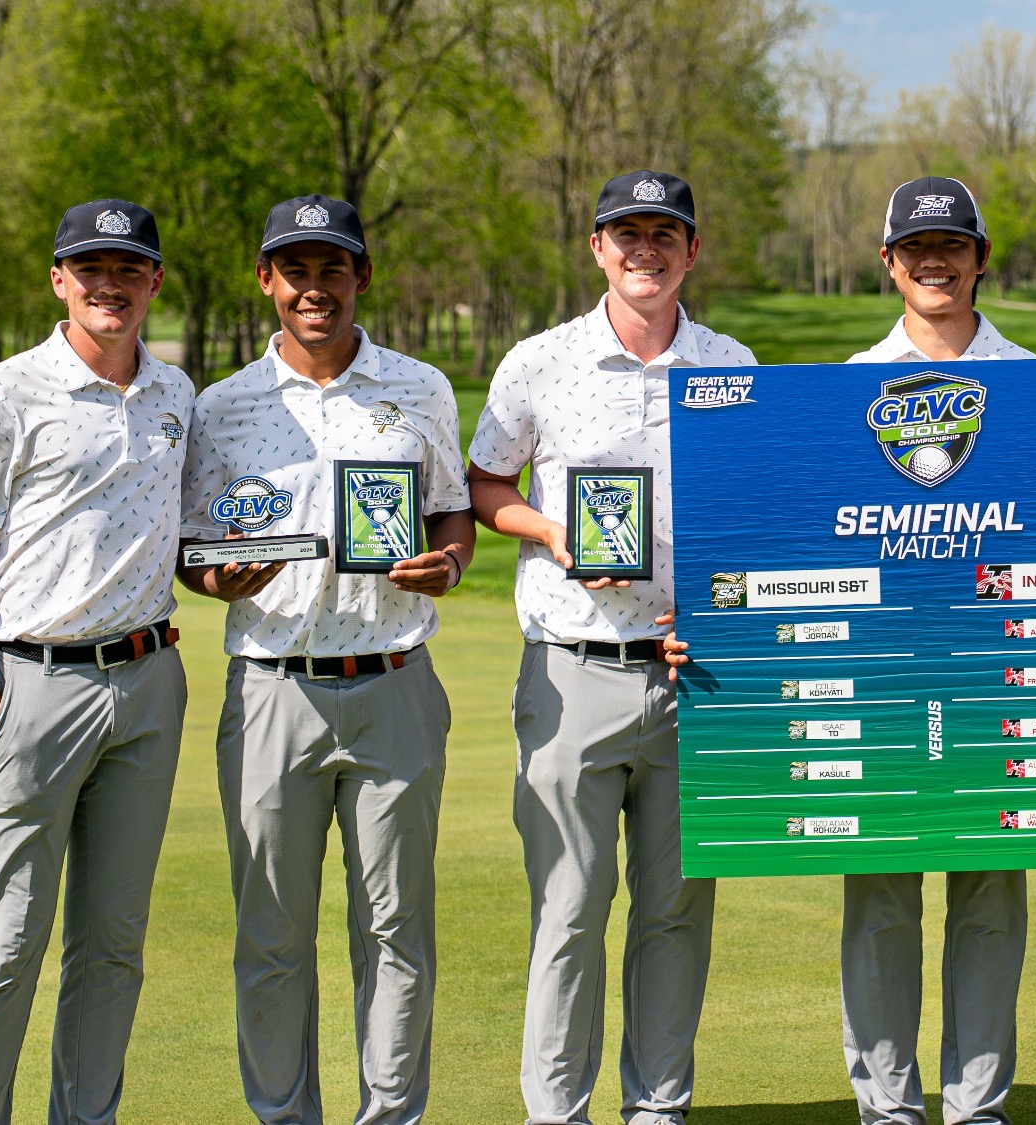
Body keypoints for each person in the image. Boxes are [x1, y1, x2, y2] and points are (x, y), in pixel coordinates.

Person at [466, 170, 754, 1125]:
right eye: (624, 233)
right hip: (571, 666)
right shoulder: (537, 362)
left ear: (691, 249)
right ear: (596, 248)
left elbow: (759, 516)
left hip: (695, 675)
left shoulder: (733, 364)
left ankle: (657, 1107)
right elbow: (486, 485)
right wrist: (554, 535)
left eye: (663, 233)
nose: (644, 249)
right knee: (569, 911)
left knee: (675, 912)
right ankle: (557, 1112)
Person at [178, 194, 474, 1125]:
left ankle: (391, 1116)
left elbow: (453, 510)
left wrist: (451, 561)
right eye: (294, 269)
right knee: (272, 933)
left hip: (393, 682)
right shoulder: (221, 406)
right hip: (272, 688)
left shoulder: (418, 386)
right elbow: (194, 547)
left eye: (331, 268)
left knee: (395, 930)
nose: (314, 288)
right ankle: (284, 1116)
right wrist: (217, 580)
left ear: (362, 276)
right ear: (266, 280)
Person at [0, 200, 191, 1125]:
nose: (108, 284)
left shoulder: (176, 396)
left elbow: (194, 537)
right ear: (58, 280)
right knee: (6, 942)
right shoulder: (1, 394)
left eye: (127, 268)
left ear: (154, 280)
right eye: (90, 268)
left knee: (112, 944)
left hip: (150, 682)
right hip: (27, 687)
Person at [841, 175, 1035, 1125]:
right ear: (888, 264)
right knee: (880, 899)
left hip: (995, 673)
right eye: (915, 248)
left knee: (991, 899)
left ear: (980, 257)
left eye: (952, 245)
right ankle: (887, 1105)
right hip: (882, 680)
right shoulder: (840, 388)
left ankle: (979, 1102)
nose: (934, 261)